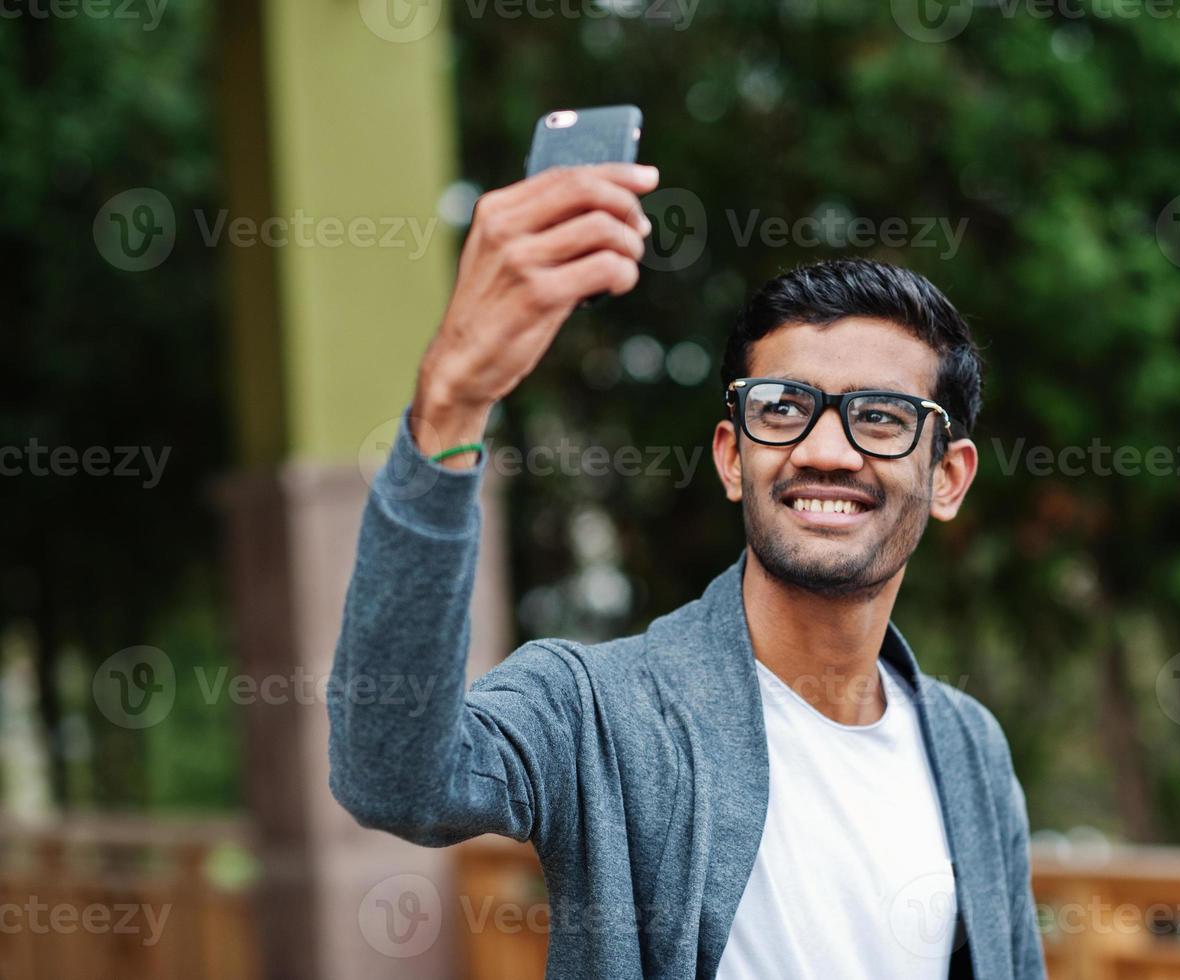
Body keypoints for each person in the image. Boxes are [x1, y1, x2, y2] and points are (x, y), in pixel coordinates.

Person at [327, 162, 1045, 980]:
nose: (822, 450)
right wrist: (452, 404)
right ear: (732, 457)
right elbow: (391, 779)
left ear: (947, 477)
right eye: (782, 408)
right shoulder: (596, 708)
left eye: (880, 418)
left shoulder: (968, 745)